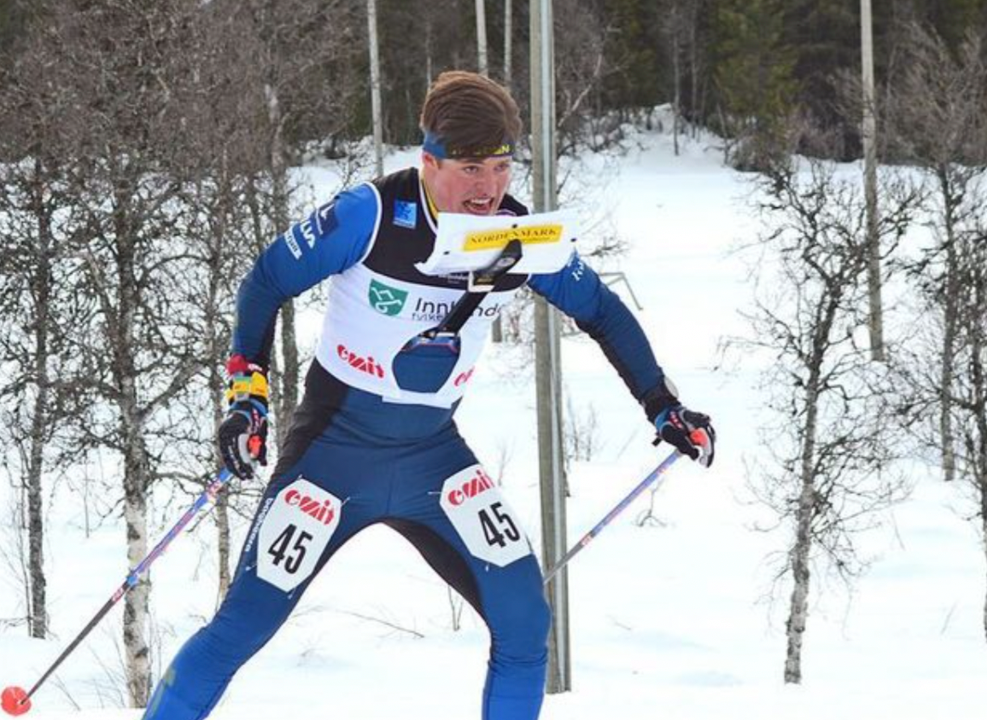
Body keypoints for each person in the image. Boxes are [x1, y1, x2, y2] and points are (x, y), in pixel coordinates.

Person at [141, 71, 715, 720]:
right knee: (241, 627)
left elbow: (602, 311)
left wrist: (662, 406)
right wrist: (249, 396)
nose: (490, 188)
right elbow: (267, 280)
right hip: (332, 458)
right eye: (471, 169)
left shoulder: (518, 237)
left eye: (501, 167)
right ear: (429, 162)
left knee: (527, 626)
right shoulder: (370, 216)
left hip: (432, 461)